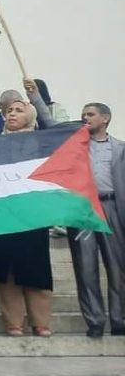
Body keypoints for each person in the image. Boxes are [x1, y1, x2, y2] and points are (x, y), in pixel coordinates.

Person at [0, 98, 54, 337]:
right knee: (5, 268)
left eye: (19, 110)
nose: (12, 114)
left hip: (31, 215)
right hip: (0, 215)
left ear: (31, 117)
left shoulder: (42, 144)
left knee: (35, 267)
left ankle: (40, 321)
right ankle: (13, 321)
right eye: (9, 110)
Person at [70, 103, 125, 337]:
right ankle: (95, 320)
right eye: (83, 114)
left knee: (118, 267)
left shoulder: (120, 148)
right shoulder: (74, 144)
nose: (85, 117)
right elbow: (49, 124)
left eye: (90, 114)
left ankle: (119, 319)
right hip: (85, 210)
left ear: (105, 118)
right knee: (86, 266)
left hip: (113, 207)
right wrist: (36, 96)